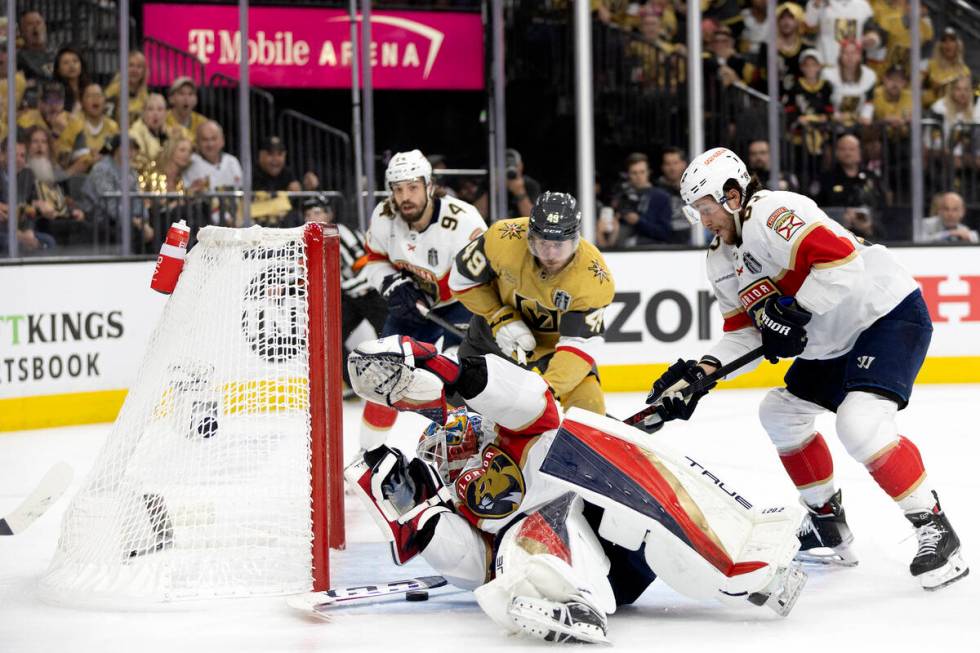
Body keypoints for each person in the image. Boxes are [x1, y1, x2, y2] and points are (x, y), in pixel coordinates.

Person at [642, 146, 968, 591]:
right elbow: (746, 330)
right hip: (830, 340)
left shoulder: (775, 212)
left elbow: (842, 262)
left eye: (706, 208)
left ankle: (937, 531)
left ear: (733, 195)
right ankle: (827, 522)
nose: (703, 220)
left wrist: (793, 311)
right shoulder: (720, 259)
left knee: (861, 423)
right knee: (779, 413)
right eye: (695, 210)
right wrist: (704, 372)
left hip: (884, 314)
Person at [343, 335, 809, 644]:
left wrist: (453, 371)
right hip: (577, 564)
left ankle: (747, 561)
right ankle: (558, 597)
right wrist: (420, 519)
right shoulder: (450, 493)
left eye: (462, 439)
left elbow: (532, 402)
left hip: (621, 537)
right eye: (448, 454)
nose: (457, 450)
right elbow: (475, 567)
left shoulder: (515, 431)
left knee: (596, 450)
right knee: (534, 529)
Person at [358, 149, 486, 449]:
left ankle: (472, 449)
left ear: (430, 186)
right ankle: (367, 456)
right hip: (411, 307)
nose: (405, 196)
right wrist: (392, 283)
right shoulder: (383, 216)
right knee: (382, 376)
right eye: (398, 189)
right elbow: (373, 259)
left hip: (462, 304)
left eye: (413, 187)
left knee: (463, 378)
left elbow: (487, 275)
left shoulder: (464, 220)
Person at [450, 191, 613, 415]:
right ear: (529, 235)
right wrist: (498, 316)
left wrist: (547, 389)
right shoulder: (503, 237)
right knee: (460, 416)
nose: (550, 254)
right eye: (542, 243)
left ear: (575, 240)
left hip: (555, 351)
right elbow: (462, 279)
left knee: (589, 409)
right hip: (490, 338)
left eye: (559, 245)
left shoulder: (594, 278)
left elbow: (578, 345)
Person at [302, 194, 388, 397]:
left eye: (317, 212)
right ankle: (359, 384)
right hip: (351, 297)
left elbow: (367, 267)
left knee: (388, 340)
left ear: (328, 214)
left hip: (374, 294)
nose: (312, 218)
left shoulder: (342, 233)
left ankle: (394, 382)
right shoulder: (311, 239)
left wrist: (339, 285)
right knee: (328, 339)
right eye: (307, 214)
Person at [78, 135, 153, 252]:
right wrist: (134, 221)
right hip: (98, 219)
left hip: (121, 218)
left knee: (155, 223)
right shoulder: (102, 168)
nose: (131, 153)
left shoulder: (131, 172)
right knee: (132, 231)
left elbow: (138, 199)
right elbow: (110, 204)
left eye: (133, 149)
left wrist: (144, 221)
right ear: (116, 149)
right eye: (127, 148)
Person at [105, 51, 149, 125]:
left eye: (139, 66)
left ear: (143, 71)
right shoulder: (114, 90)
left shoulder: (145, 94)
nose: (134, 70)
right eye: (131, 65)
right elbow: (106, 118)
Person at [165, 77, 207, 145]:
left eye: (190, 94)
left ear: (196, 100)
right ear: (171, 99)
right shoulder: (163, 120)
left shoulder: (202, 123)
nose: (186, 98)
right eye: (181, 93)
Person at [16, 10, 56, 81]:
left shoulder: (57, 52)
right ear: (21, 31)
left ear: (45, 27)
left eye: (38, 23)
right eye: (30, 24)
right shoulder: (18, 59)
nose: (35, 27)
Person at [52, 46, 92, 115]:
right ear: (58, 69)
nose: (71, 65)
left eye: (75, 61)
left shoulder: (89, 89)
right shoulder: (55, 92)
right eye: (66, 63)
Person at [504, 148, 540, 219]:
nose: (510, 170)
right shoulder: (491, 184)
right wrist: (493, 189)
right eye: (506, 166)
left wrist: (520, 192)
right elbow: (480, 214)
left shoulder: (530, 184)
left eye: (514, 166)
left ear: (521, 166)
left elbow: (533, 219)